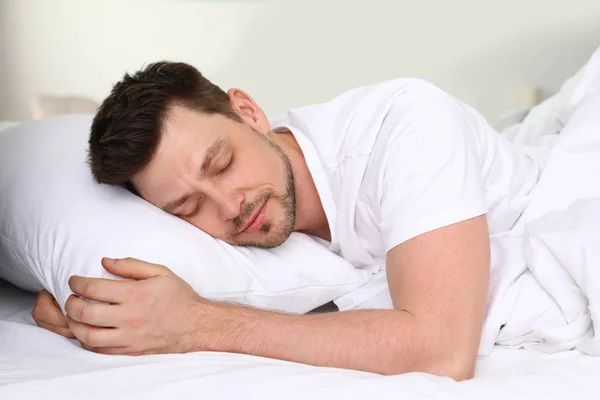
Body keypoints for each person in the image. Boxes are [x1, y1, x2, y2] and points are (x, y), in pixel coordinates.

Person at [31, 61, 546, 380]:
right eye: (187, 209)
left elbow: (442, 352)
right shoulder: (225, 236)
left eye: (222, 163)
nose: (228, 206)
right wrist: (94, 315)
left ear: (248, 111)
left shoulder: (408, 123)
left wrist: (196, 324)